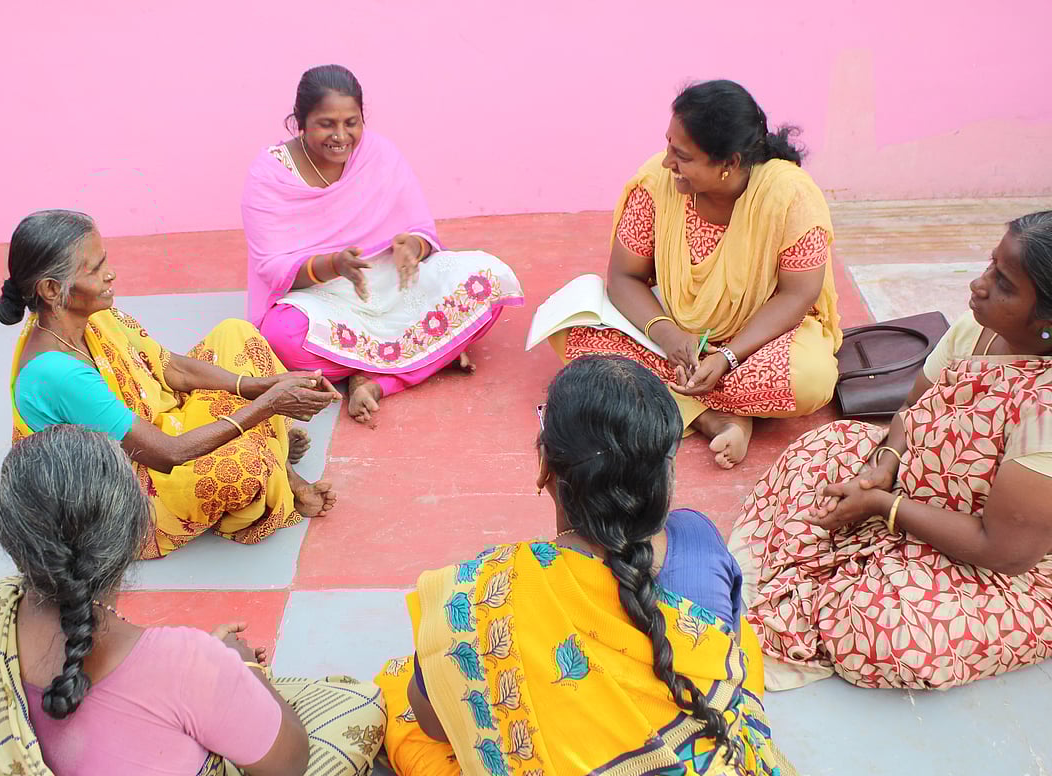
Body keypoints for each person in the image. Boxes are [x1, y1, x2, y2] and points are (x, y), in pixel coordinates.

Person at [373, 356, 800, 776]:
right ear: (664, 481)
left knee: (407, 693)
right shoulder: (695, 535)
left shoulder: (481, 591)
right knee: (738, 639)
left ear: (545, 466)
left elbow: (435, 724)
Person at [0, 425, 385, 776]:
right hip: (208, 685)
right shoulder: (188, 663)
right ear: (137, 531)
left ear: (9, 535)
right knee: (359, 704)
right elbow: (290, 764)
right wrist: (241, 666)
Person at [730, 212, 1052, 691]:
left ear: (1046, 322)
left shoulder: (1045, 411)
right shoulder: (974, 329)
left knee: (880, 627)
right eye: (989, 266)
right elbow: (911, 408)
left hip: (1000, 560)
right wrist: (882, 466)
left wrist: (886, 507)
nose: (978, 284)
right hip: (916, 491)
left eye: (1003, 283)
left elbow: (1003, 551)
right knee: (826, 446)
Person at [0, 210, 341, 559]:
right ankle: (280, 463)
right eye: (95, 269)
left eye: (105, 263)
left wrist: (261, 386)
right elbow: (168, 454)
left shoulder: (91, 316)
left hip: (155, 429)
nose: (110, 274)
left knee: (236, 334)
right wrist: (268, 405)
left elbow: (170, 368)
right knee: (244, 467)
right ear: (52, 289)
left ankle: (276, 455)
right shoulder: (59, 375)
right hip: (125, 492)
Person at [550, 79, 841, 469]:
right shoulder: (656, 183)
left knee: (811, 378)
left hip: (761, 340)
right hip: (675, 342)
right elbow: (623, 276)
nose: (668, 162)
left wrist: (727, 357)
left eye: (682, 155)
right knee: (569, 333)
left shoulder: (790, 196)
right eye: (669, 145)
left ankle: (683, 402)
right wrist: (668, 334)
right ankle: (719, 417)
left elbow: (797, 294)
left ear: (729, 164)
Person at [242, 64, 524, 426]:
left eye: (352, 122)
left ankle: (369, 379)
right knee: (283, 335)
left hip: (391, 280)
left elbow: (420, 231)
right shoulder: (270, 174)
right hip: (322, 294)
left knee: (489, 278)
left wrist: (412, 247)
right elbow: (273, 267)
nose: (341, 136)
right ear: (301, 120)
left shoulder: (379, 154)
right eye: (327, 123)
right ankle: (424, 356)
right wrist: (334, 265)